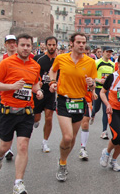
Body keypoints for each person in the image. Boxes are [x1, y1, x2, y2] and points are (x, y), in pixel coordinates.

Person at [0, 34, 42, 194]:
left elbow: (34, 83)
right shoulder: (6, 63)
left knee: (23, 146)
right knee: (4, 146)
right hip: (7, 112)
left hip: (26, 112)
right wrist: (12, 86)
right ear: (17, 47)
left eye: (28, 45)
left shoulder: (35, 65)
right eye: (23, 45)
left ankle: (18, 183)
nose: (26, 48)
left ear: (32, 47)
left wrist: (38, 90)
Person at [48, 33, 97, 182]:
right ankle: (62, 164)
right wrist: (52, 82)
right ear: (72, 43)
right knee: (67, 136)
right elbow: (53, 70)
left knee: (73, 138)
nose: (81, 45)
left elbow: (93, 83)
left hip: (79, 101)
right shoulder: (61, 58)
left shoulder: (90, 62)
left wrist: (91, 83)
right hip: (64, 100)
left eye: (83, 42)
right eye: (78, 42)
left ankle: (64, 159)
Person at [33, 36, 58, 153]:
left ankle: (45, 142)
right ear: (46, 45)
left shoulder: (59, 59)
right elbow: (32, 72)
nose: (52, 47)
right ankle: (36, 120)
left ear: (56, 45)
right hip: (39, 91)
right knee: (37, 117)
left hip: (51, 92)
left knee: (49, 118)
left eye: (54, 45)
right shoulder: (38, 58)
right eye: (50, 45)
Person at [0, 34, 20, 161]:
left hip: (20, 96)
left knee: (19, 121)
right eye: (9, 42)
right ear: (5, 44)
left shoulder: (22, 58)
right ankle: (8, 148)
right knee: (8, 123)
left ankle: (12, 146)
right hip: (5, 95)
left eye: (14, 42)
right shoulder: (2, 60)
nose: (12, 45)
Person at [93, 48, 115, 139]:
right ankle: (92, 114)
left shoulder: (112, 64)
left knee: (106, 110)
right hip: (98, 88)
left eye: (110, 52)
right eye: (107, 52)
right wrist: (98, 80)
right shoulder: (97, 62)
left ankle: (104, 131)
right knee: (96, 108)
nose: (109, 54)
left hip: (107, 90)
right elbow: (91, 75)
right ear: (103, 53)